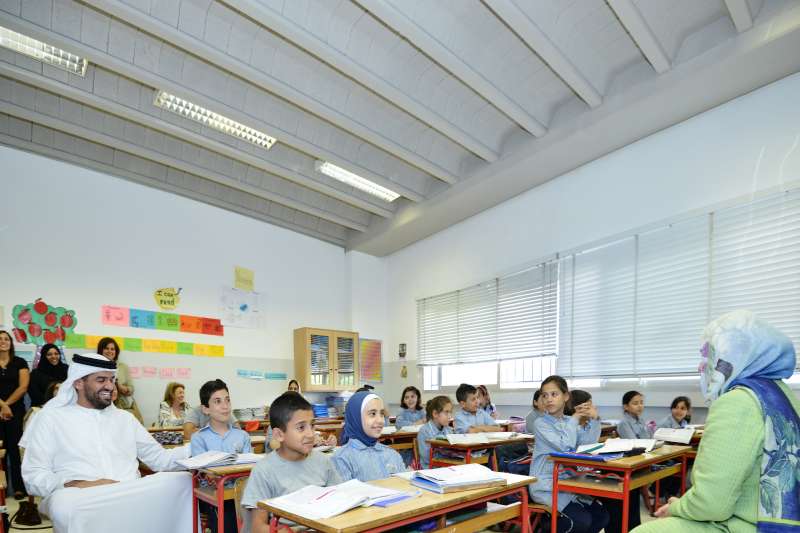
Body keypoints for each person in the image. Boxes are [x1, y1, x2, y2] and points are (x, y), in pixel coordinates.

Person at [632, 310, 800, 533]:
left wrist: (677, 507)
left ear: (733, 355)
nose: (702, 367)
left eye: (708, 356)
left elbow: (712, 504)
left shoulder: (737, 401)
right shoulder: (783, 397)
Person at [20, 352, 192, 533]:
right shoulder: (50, 418)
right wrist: (76, 483)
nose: (109, 386)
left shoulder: (125, 418)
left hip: (127, 489)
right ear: (78, 382)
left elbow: (160, 460)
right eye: (101, 380)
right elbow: (33, 477)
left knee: (182, 481)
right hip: (81, 496)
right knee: (65, 507)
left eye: (112, 380)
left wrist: (197, 448)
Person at [241, 392, 342, 533]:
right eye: (301, 427)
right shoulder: (264, 471)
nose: (311, 434)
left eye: (312, 425)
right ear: (279, 435)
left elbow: (341, 503)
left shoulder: (323, 462)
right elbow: (258, 528)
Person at [529, 375, 608, 533]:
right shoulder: (541, 423)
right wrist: (575, 419)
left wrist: (594, 419)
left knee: (601, 516)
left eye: (554, 394)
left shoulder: (567, 421)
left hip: (568, 483)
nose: (549, 399)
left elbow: (586, 446)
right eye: (545, 395)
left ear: (566, 396)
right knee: (580, 521)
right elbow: (565, 448)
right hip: (546, 486)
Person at [191, 380, 251, 533]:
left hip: (242, 494)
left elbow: (250, 468)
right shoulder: (199, 438)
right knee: (229, 518)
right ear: (206, 409)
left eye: (227, 400)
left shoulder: (242, 435)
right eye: (217, 401)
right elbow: (203, 474)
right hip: (215, 495)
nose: (225, 406)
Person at [332, 390, 407, 481]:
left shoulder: (391, 454)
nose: (380, 421)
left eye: (382, 414)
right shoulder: (342, 459)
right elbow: (347, 494)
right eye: (372, 414)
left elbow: (405, 487)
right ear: (356, 417)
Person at [0, 330, 30, 500]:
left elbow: (23, 387)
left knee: (14, 450)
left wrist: (7, 405)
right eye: (0, 339)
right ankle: (1, 488)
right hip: (3, 408)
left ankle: (19, 488)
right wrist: (2, 405)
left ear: (11, 343)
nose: (3, 342)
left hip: (15, 412)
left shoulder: (20, 362)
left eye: (6, 339)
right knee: (0, 450)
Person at [97, 337, 143, 423]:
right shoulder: (95, 368)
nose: (110, 351)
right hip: (102, 409)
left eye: (112, 349)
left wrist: (120, 387)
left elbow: (131, 389)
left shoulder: (122, 367)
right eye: (106, 348)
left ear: (116, 352)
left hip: (122, 408)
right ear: (101, 350)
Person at [417, 395, 453, 469]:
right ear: (435, 414)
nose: (450, 416)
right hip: (430, 469)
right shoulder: (424, 431)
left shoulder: (449, 430)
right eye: (446, 412)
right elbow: (427, 458)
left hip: (446, 467)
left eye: (450, 412)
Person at [28, 343, 67, 408]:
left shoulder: (66, 369)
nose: (54, 356)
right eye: (49, 354)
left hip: (64, 407)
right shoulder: (35, 374)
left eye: (56, 354)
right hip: (42, 408)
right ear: (43, 356)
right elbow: (35, 396)